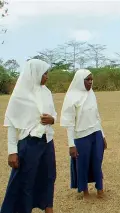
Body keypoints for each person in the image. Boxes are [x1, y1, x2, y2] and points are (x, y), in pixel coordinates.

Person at [1, 59, 57, 213]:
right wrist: (12, 151)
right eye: (44, 73)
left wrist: (52, 120)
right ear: (35, 73)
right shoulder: (20, 95)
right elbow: (12, 122)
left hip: (47, 142)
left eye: (47, 73)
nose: (47, 77)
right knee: (26, 181)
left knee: (48, 177)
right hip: (29, 144)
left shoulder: (47, 92)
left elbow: (54, 114)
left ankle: (48, 209)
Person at [60, 69, 107, 199]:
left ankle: (100, 188)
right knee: (83, 164)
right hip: (80, 136)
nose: (90, 82)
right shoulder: (71, 97)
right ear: (81, 80)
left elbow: (96, 116)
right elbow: (69, 123)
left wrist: (103, 135)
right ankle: (85, 190)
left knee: (97, 161)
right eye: (88, 79)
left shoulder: (91, 93)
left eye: (92, 79)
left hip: (96, 133)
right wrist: (71, 144)